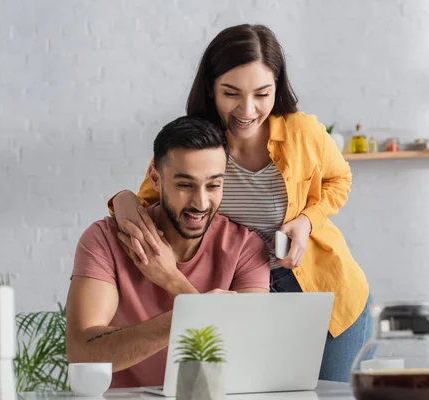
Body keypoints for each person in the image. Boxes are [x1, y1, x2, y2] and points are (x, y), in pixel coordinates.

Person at [110, 24, 372, 382]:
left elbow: (340, 179)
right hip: (239, 294)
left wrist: (308, 220)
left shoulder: (303, 133)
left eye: (262, 94)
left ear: (277, 88)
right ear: (211, 90)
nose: (247, 110)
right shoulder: (196, 143)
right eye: (231, 93)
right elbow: (149, 199)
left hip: (322, 294)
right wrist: (122, 200)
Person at [66, 116, 270, 388]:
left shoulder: (246, 248)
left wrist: (172, 281)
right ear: (156, 179)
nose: (200, 203)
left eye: (213, 185)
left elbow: (248, 357)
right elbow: (82, 353)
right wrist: (190, 315)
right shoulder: (104, 240)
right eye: (185, 185)